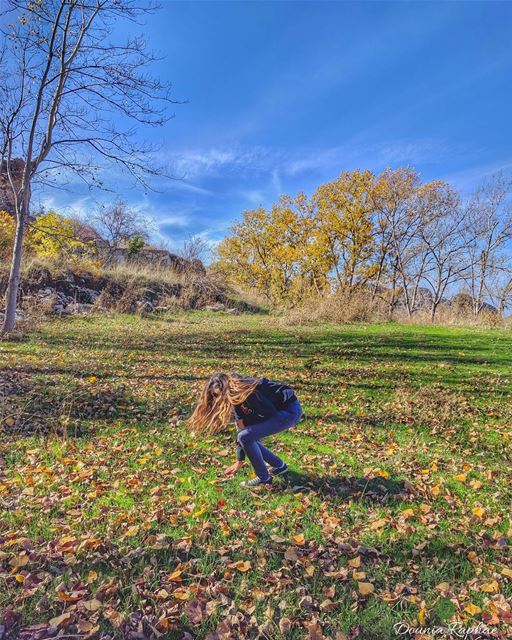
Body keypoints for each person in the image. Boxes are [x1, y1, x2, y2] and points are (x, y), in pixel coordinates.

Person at [189, 373, 302, 488]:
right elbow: (240, 427)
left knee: (246, 436)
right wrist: (240, 459)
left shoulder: (247, 392)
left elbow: (268, 412)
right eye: (212, 395)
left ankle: (264, 479)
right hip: (280, 411)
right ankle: (279, 466)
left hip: (290, 411)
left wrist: (248, 426)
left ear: (223, 388)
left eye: (215, 394)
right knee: (246, 437)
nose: (215, 399)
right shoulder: (235, 394)